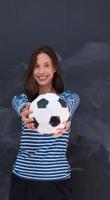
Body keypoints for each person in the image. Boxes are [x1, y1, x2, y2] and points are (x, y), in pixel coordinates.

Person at [9, 46, 80, 200]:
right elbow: (18, 105)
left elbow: (69, 107)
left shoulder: (68, 98)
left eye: (47, 65)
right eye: (36, 66)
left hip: (57, 182)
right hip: (24, 181)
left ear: (54, 68)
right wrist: (25, 113)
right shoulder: (23, 100)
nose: (41, 71)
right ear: (32, 71)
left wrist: (64, 119)